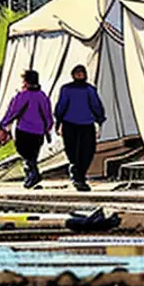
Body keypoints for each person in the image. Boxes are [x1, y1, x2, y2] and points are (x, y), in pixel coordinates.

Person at [0, 69, 52, 189]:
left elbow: (12, 112)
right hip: (38, 132)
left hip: (24, 130)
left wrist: (3, 125)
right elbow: (48, 115)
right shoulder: (43, 96)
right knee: (33, 154)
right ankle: (31, 174)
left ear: (26, 82)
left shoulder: (21, 96)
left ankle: (33, 173)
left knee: (24, 152)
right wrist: (47, 127)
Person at [54, 64, 107, 192]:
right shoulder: (67, 89)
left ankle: (80, 176)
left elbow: (96, 105)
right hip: (70, 123)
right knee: (72, 151)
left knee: (87, 152)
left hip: (86, 124)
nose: (79, 75)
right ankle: (76, 174)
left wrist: (99, 118)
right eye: (77, 73)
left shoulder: (89, 89)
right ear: (73, 75)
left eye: (81, 73)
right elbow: (61, 106)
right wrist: (58, 120)